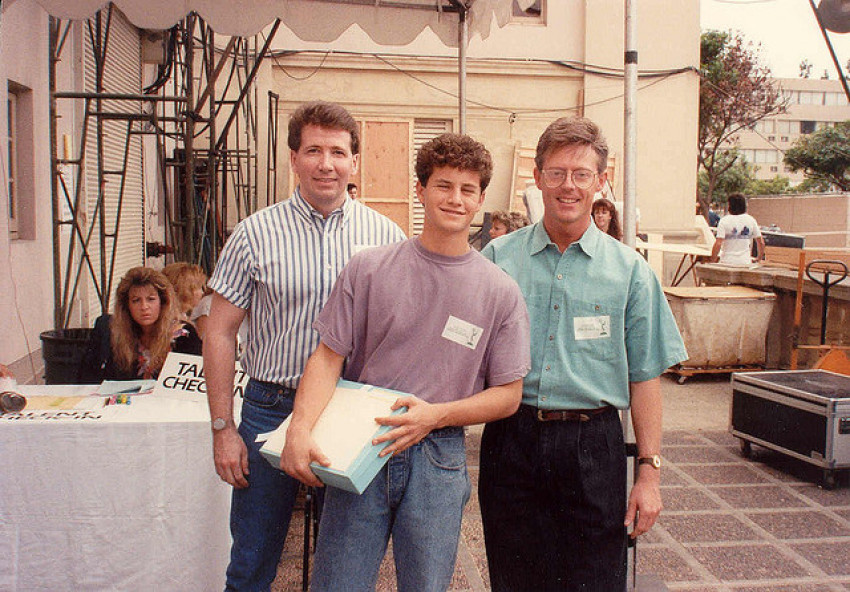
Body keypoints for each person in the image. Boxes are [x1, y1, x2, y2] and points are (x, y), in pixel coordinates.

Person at [281, 133, 531, 592]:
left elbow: (509, 396)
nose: (455, 199)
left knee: (426, 586)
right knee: (338, 583)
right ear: (421, 189)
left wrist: (435, 416)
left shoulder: (500, 291)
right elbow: (326, 357)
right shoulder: (369, 268)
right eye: (443, 185)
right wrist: (299, 430)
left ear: (480, 199)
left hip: (438, 455)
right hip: (361, 443)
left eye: (467, 189)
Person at [203, 101, 406, 591]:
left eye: (338, 152)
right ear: (293, 158)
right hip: (270, 407)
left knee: (346, 565)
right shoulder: (254, 233)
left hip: (348, 412)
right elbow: (219, 331)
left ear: (355, 161)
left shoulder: (386, 237)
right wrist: (223, 428)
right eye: (313, 150)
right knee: (252, 558)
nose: (326, 163)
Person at [479, 116, 687, 591]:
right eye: (556, 173)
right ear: (537, 177)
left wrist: (649, 475)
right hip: (512, 440)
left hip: (594, 447)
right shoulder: (497, 260)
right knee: (514, 580)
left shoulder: (630, 272)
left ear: (601, 179)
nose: (567, 186)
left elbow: (645, 377)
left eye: (581, 174)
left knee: (594, 580)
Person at [78, 266, 202, 383]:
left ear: (163, 302)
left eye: (151, 299)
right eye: (136, 300)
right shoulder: (113, 332)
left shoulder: (184, 335)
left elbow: (193, 387)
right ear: (126, 306)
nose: (144, 307)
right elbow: (88, 378)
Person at [711, 193, 765, 265]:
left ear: (730, 206)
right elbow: (761, 242)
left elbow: (718, 243)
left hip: (727, 261)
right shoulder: (751, 220)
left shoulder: (724, 221)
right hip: (744, 262)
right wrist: (758, 258)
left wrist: (712, 260)